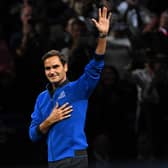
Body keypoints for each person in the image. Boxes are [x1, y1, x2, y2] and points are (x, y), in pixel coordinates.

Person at [29, 6, 111, 168]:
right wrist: (49, 121)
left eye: (56, 67)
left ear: (65, 67)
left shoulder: (77, 89)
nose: (52, 71)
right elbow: (33, 134)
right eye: (48, 68)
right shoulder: (42, 98)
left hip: (74, 158)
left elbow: (96, 66)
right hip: (52, 160)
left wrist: (102, 36)